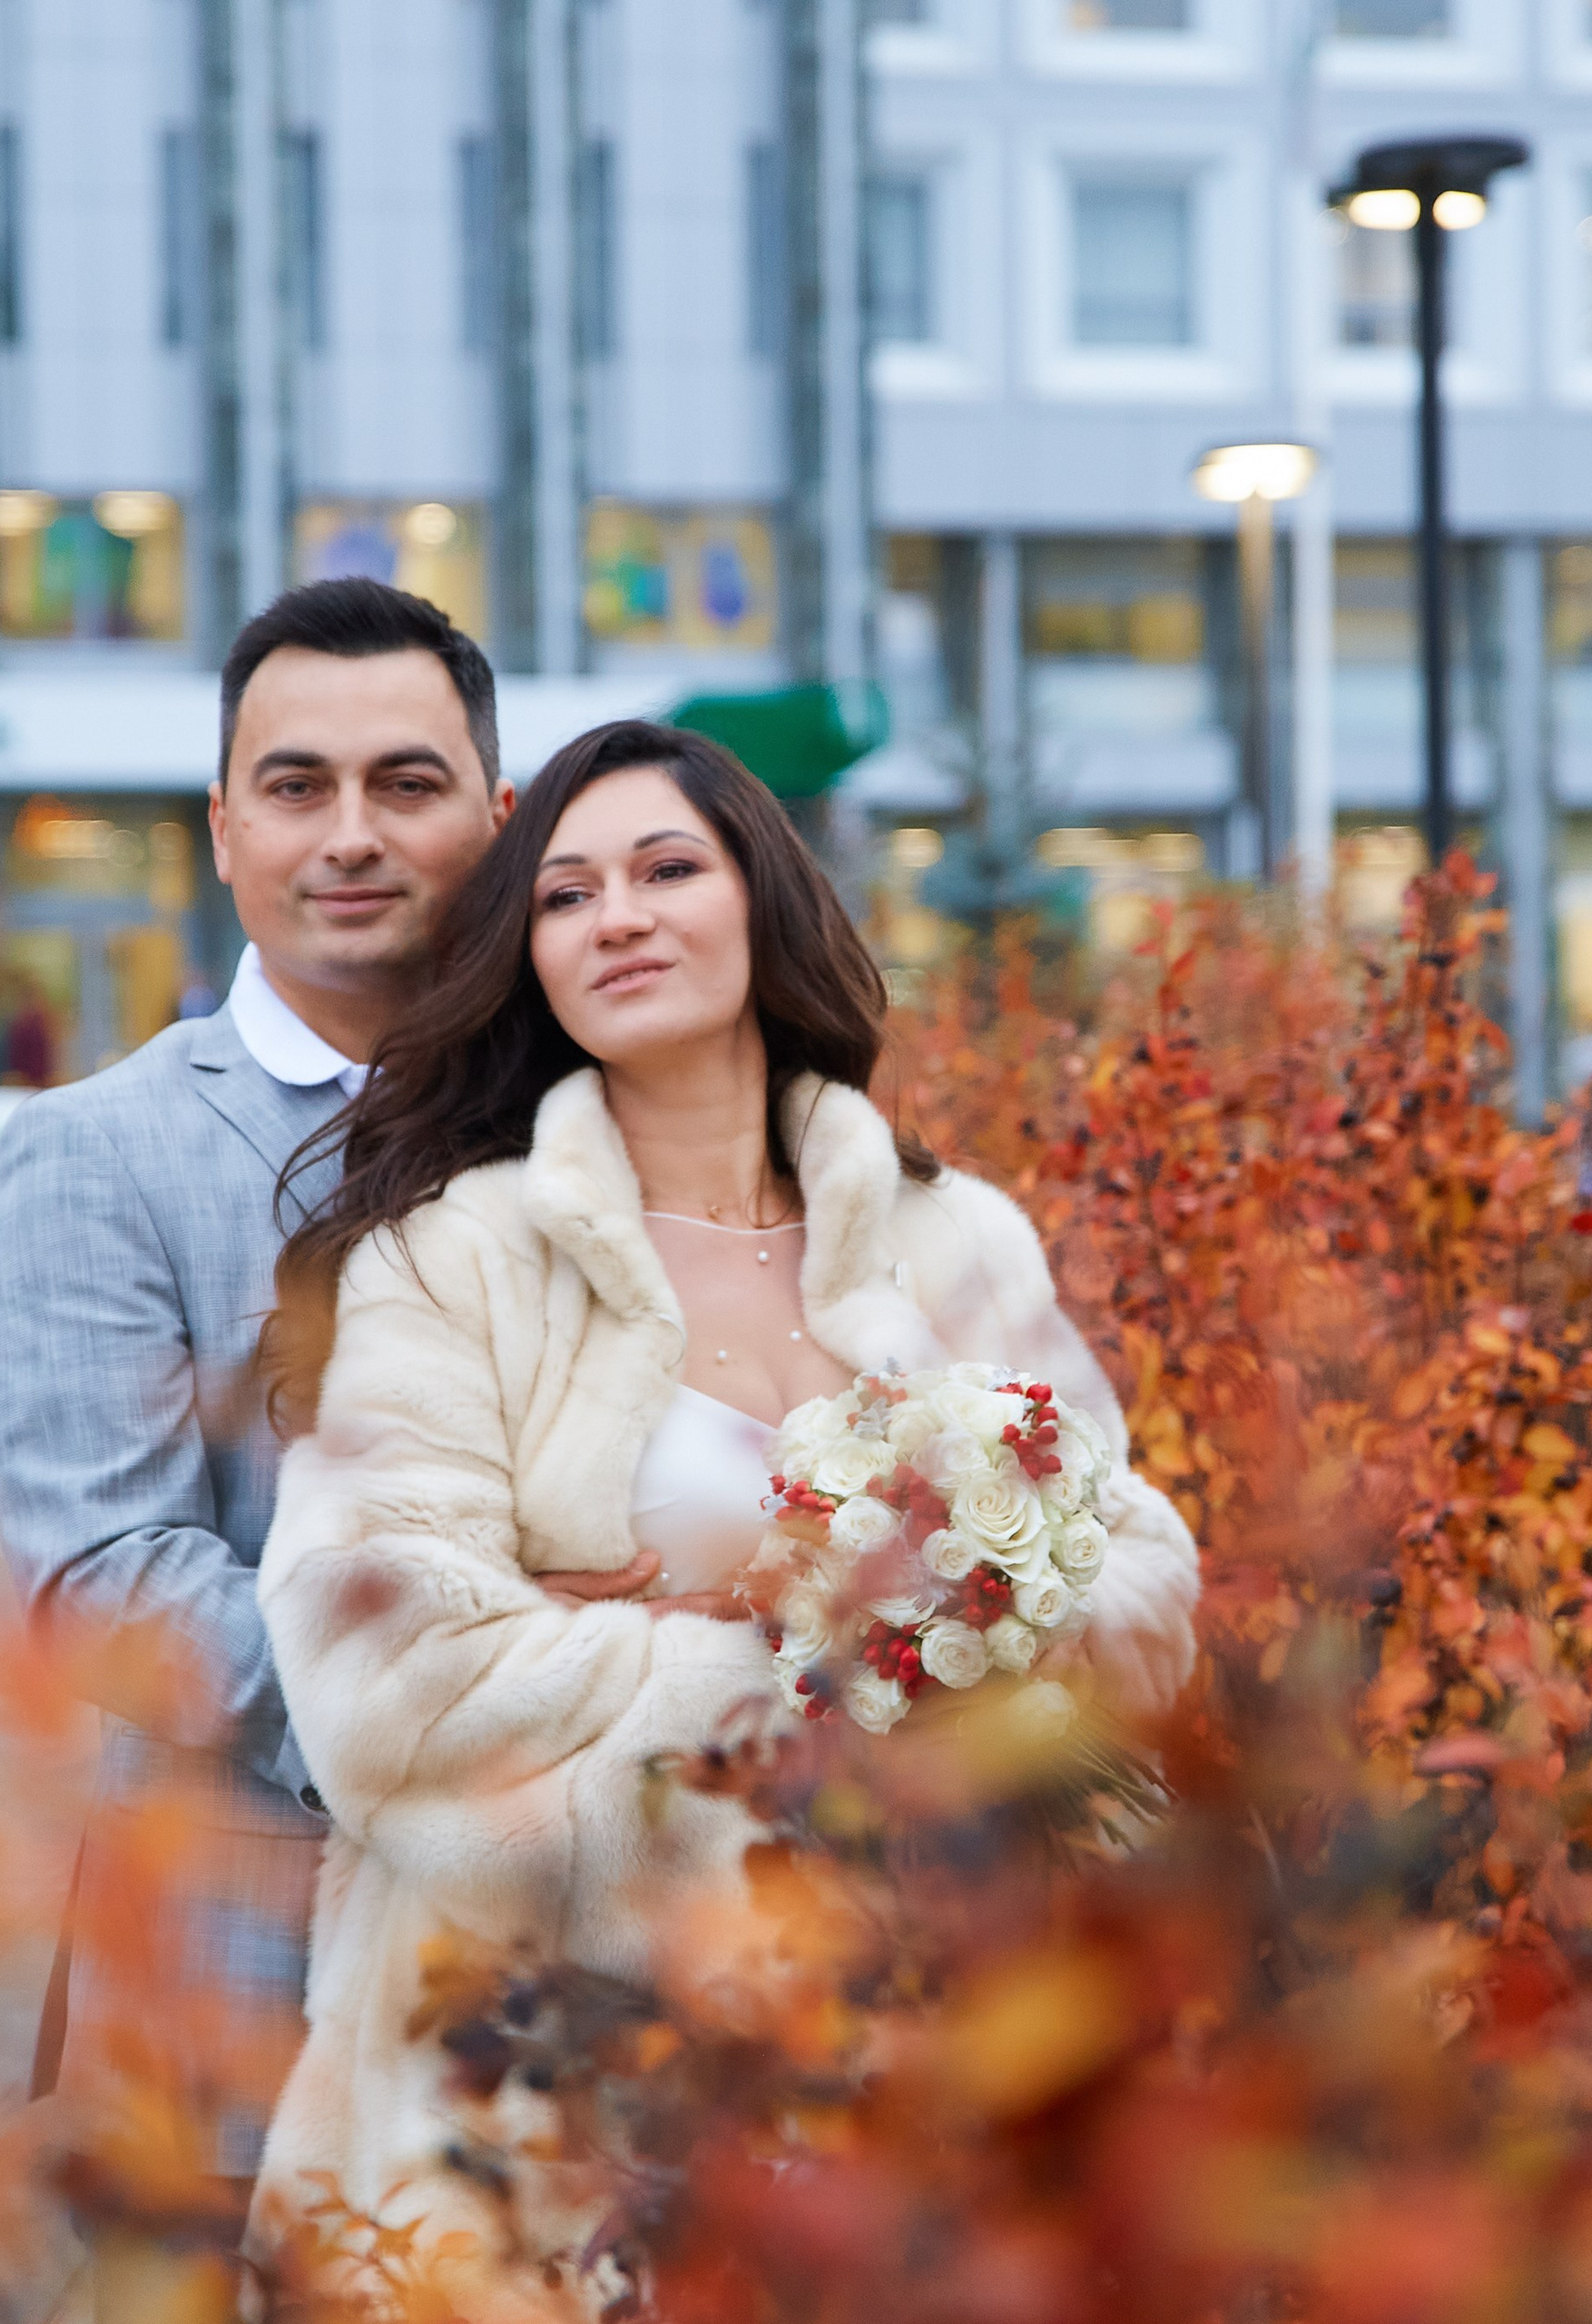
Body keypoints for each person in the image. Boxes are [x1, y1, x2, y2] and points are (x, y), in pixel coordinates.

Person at [246, 719, 1201, 2303]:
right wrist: (747, 1679)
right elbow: (383, 1685)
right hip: (549, 2084)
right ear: (528, 958)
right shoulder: (456, 1261)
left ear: (762, 901)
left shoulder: (955, 1237)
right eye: (563, 895)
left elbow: (1140, 1580)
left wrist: (926, 1631)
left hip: (927, 2062)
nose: (615, 915)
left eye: (666, 869)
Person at [0, 577, 559, 2279]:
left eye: (410, 783)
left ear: (499, 819)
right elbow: (106, 1571)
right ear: (225, 830)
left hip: (587, 2007)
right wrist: (463, 1732)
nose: (352, 834)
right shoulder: (105, 1152)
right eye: (298, 786)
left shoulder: (603, 1116)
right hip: (240, 1998)